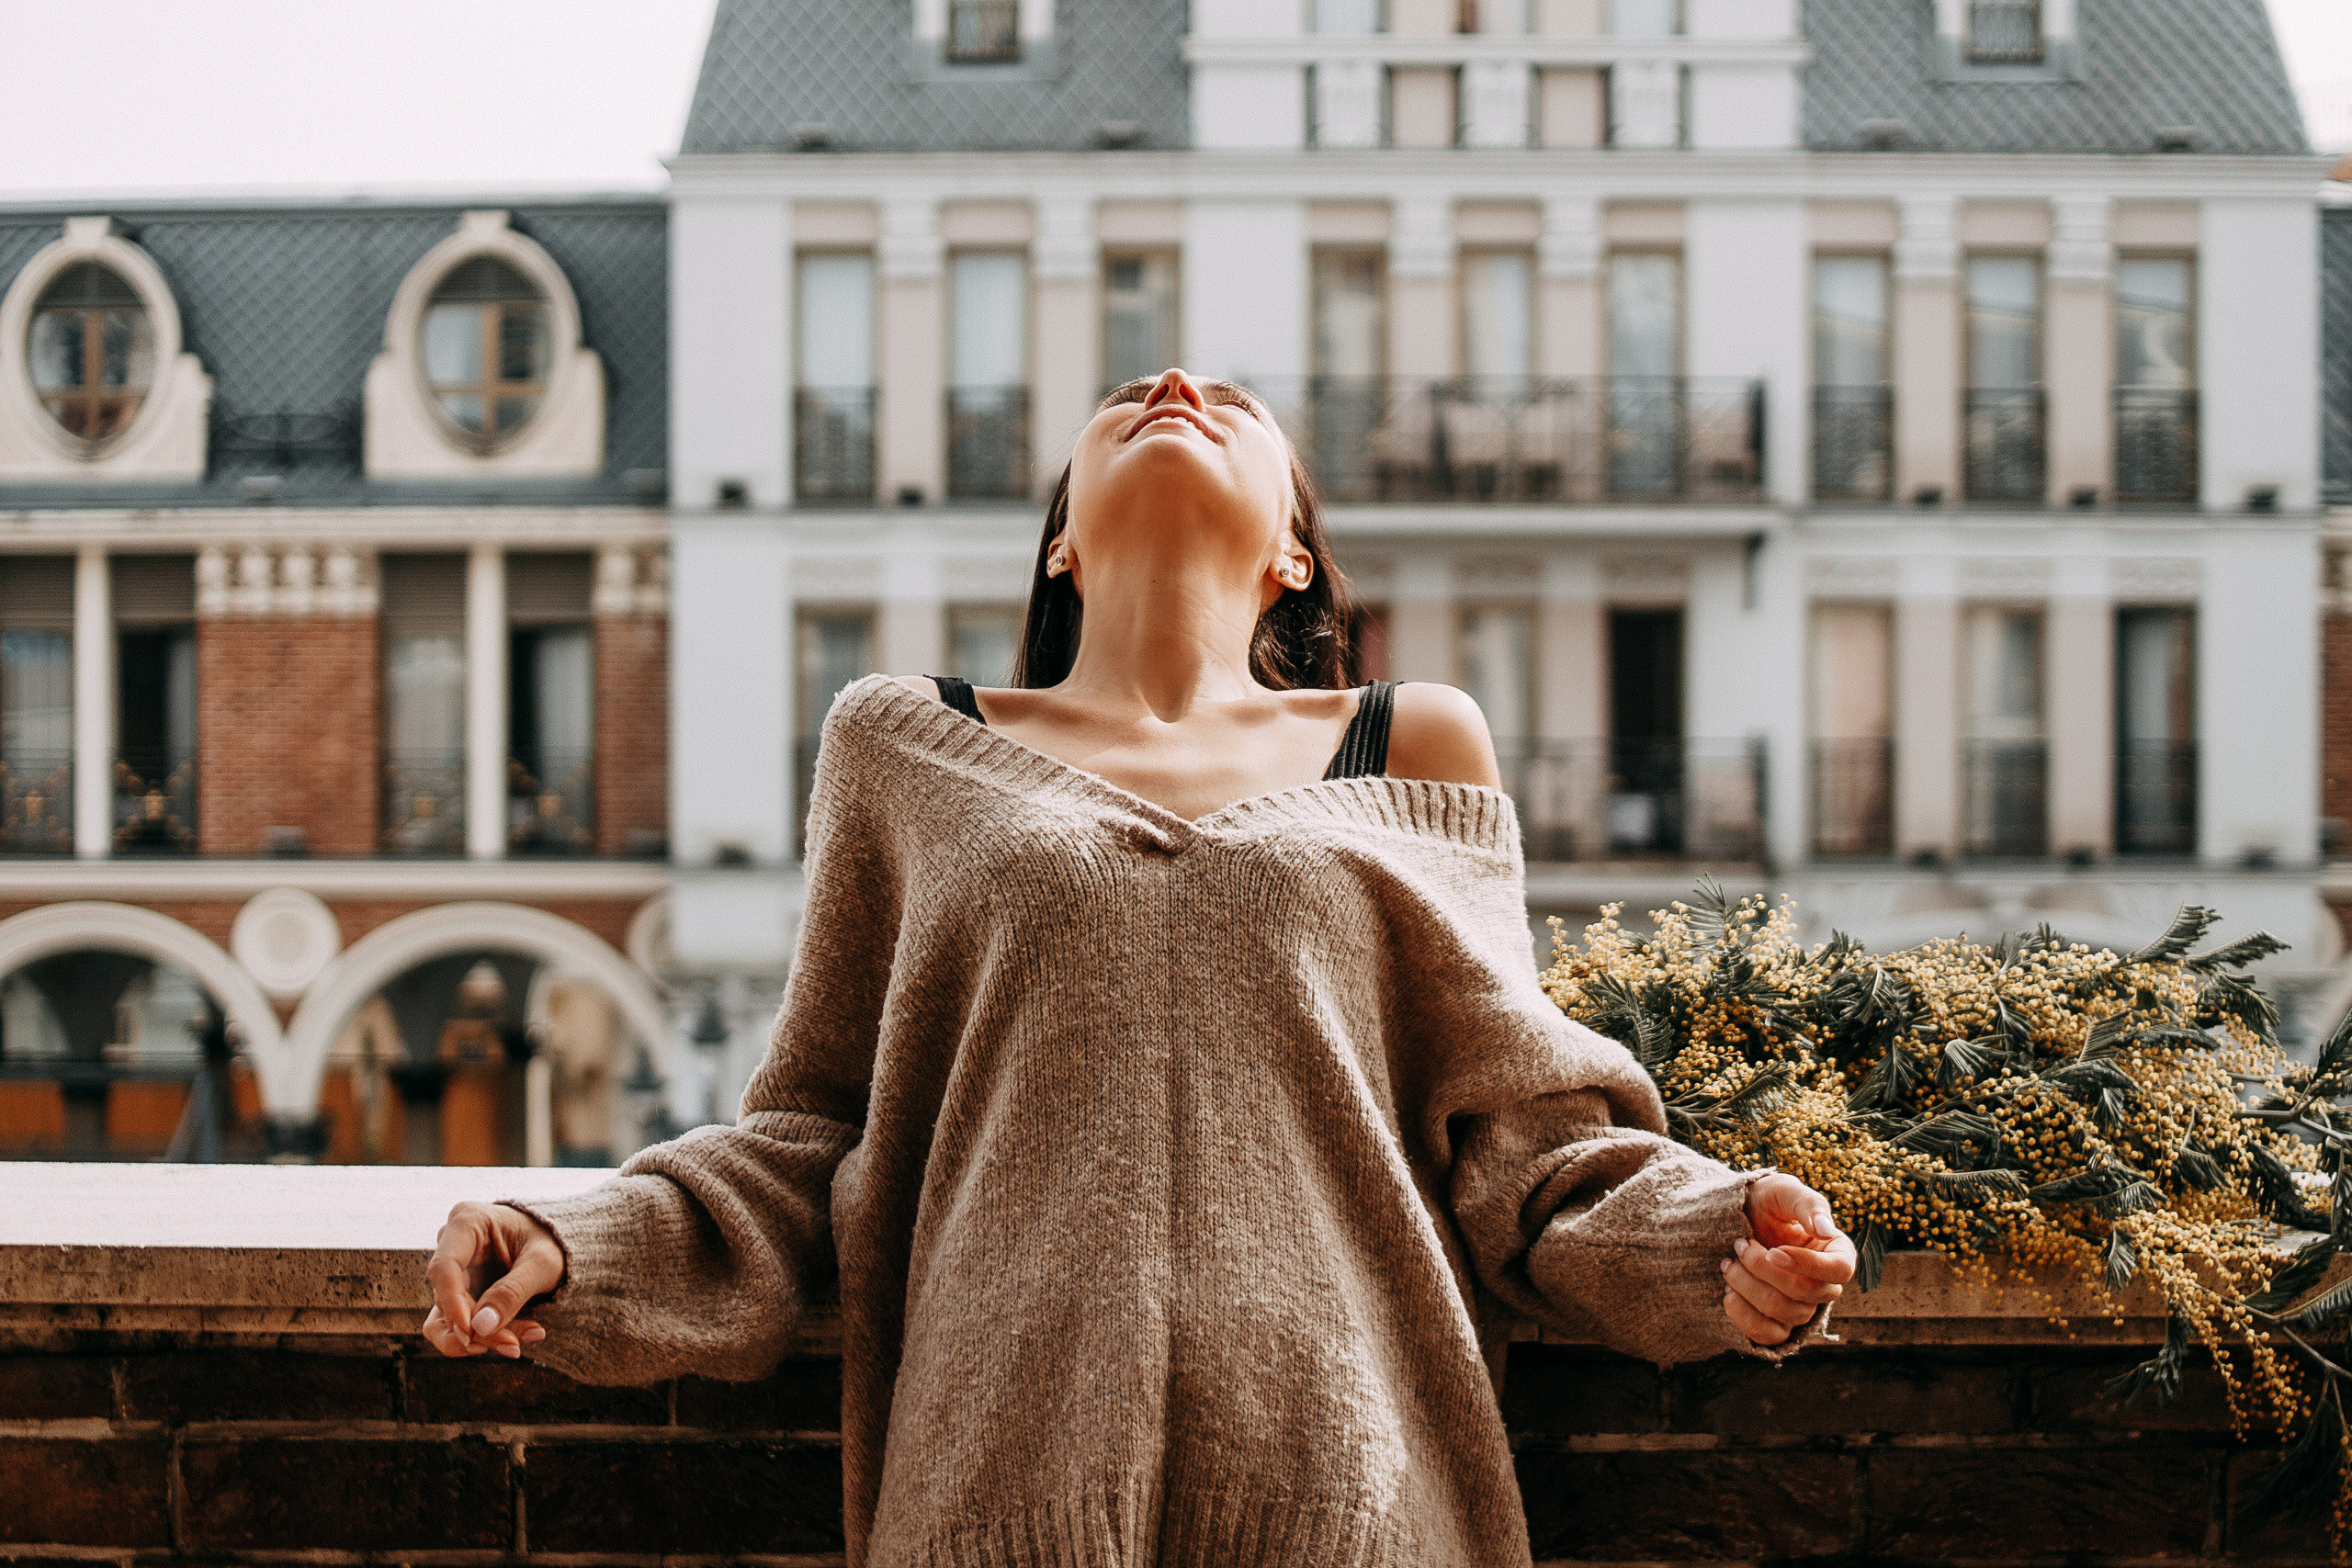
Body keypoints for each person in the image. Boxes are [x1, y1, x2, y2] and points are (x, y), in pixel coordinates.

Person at [424, 367, 1855, 1567]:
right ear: (1060, 548)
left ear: (1294, 552)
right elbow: (812, 1136)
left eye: (1229, 400)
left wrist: (1722, 1241)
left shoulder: (1411, 744)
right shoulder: (906, 741)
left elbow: (1528, 1147)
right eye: (1125, 398)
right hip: (995, 1501)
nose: (1175, 390)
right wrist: (577, 1244)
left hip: (1357, 1502)